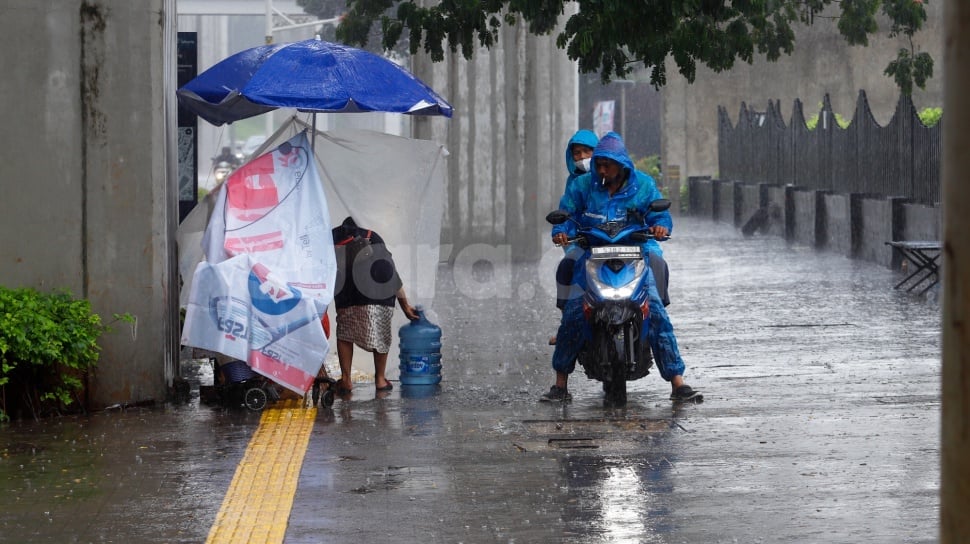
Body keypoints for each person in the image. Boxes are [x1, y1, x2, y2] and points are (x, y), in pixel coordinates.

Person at [541, 132, 702, 403]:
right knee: (573, 314)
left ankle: (678, 383)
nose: (601, 170)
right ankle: (560, 384)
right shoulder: (582, 186)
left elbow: (659, 214)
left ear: (622, 164)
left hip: (635, 255)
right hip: (592, 256)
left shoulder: (644, 185)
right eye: (598, 165)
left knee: (656, 312)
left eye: (607, 165)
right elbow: (566, 216)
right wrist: (561, 231)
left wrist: (661, 226)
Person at [330, 216, 419, 394]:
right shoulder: (373, 236)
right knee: (381, 332)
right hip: (380, 293)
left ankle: (346, 380)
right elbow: (391, 273)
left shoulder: (332, 237)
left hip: (346, 293)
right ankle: (380, 380)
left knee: (345, 333)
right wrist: (405, 306)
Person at [549, 130, 598, 345]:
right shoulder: (573, 184)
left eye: (588, 151)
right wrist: (561, 232)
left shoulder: (618, 179)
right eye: (577, 153)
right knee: (567, 268)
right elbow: (566, 212)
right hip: (582, 240)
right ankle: (566, 324)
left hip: (612, 240)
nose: (582, 157)